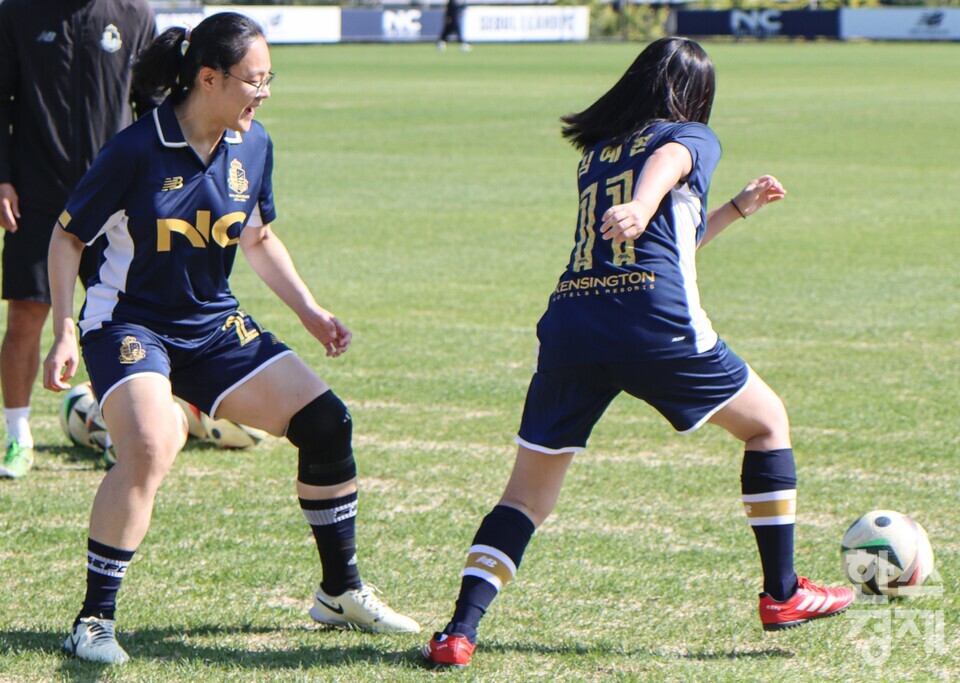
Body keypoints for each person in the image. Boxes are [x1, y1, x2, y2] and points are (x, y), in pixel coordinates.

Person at [422, 37, 854, 669]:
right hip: (652, 324)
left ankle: (458, 633)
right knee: (767, 425)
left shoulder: (598, 154)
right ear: (693, 95)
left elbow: (665, 241)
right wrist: (646, 202)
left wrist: (734, 208)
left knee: (525, 499)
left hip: (572, 324)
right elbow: (674, 162)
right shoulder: (691, 137)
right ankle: (783, 594)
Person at [43, 12, 420, 665]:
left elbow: (259, 237)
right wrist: (64, 329)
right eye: (254, 79)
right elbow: (66, 235)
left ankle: (340, 591)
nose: (264, 92)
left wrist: (310, 310)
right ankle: (92, 619)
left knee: (327, 422)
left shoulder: (255, 145)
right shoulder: (136, 149)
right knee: (152, 444)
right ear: (209, 79)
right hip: (129, 323)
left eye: (270, 79)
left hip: (213, 326)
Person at [0, 0, 158, 478]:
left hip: (113, 201)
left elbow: (150, 106)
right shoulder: (17, 14)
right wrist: (2, 176)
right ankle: (17, 435)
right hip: (36, 194)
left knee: (117, 321)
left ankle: (117, 432)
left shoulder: (133, 14)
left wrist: (155, 186)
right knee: (27, 313)